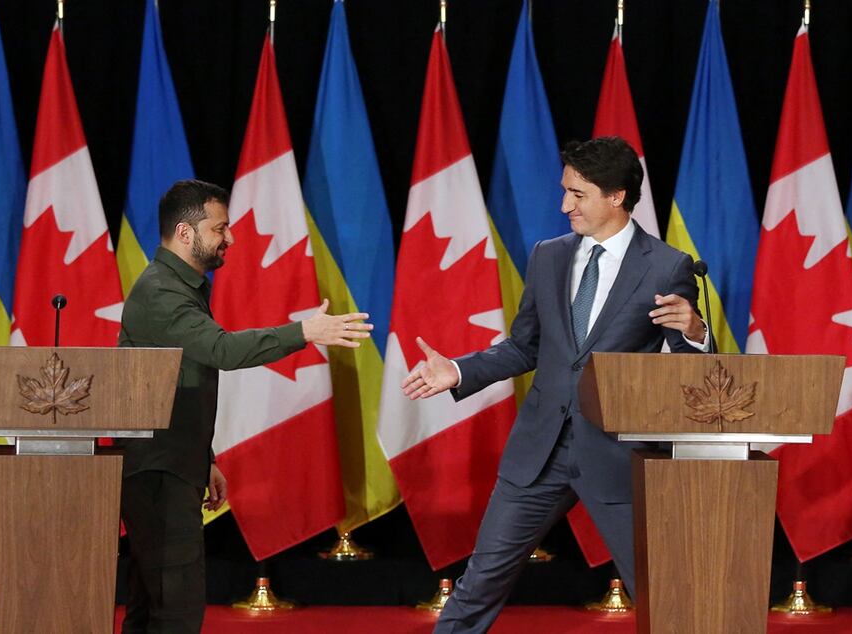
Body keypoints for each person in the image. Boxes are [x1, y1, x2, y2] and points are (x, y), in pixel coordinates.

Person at [402, 137, 709, 633]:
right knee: (479, 583)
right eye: (565, 191)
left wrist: (694, 330)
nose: (565, 205)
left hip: (617, 453)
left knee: (662, 591)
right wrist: (458, 371)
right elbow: (525, 347)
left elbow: (692, 372)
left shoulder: (667, 265)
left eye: (578, 194)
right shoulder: (548, 256)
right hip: (539, 451)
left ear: (616, 196)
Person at [117, 179, 372, 633]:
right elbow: (221, 350)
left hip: (169, 463)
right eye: (220, 228)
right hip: (158, 470)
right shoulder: (161, 291)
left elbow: (178, 384)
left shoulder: (178, 286)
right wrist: (305, 332)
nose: (230, 238)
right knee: (174, 607)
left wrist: (205, 458)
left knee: (153, 601)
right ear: (185, 233)